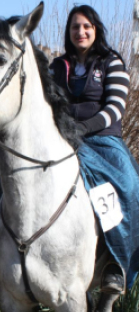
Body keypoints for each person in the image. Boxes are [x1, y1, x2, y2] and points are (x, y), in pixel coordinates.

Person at [50, 5, 139, 294]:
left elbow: (115, 108)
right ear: (69, 32)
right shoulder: (56, 66)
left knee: (129, 183)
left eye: (86, 26)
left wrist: (85, 128)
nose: (81, 32)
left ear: (96, 29)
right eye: (75, 27)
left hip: (102, 139)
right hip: (61, 138)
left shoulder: (111, 62)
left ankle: (116, 263)